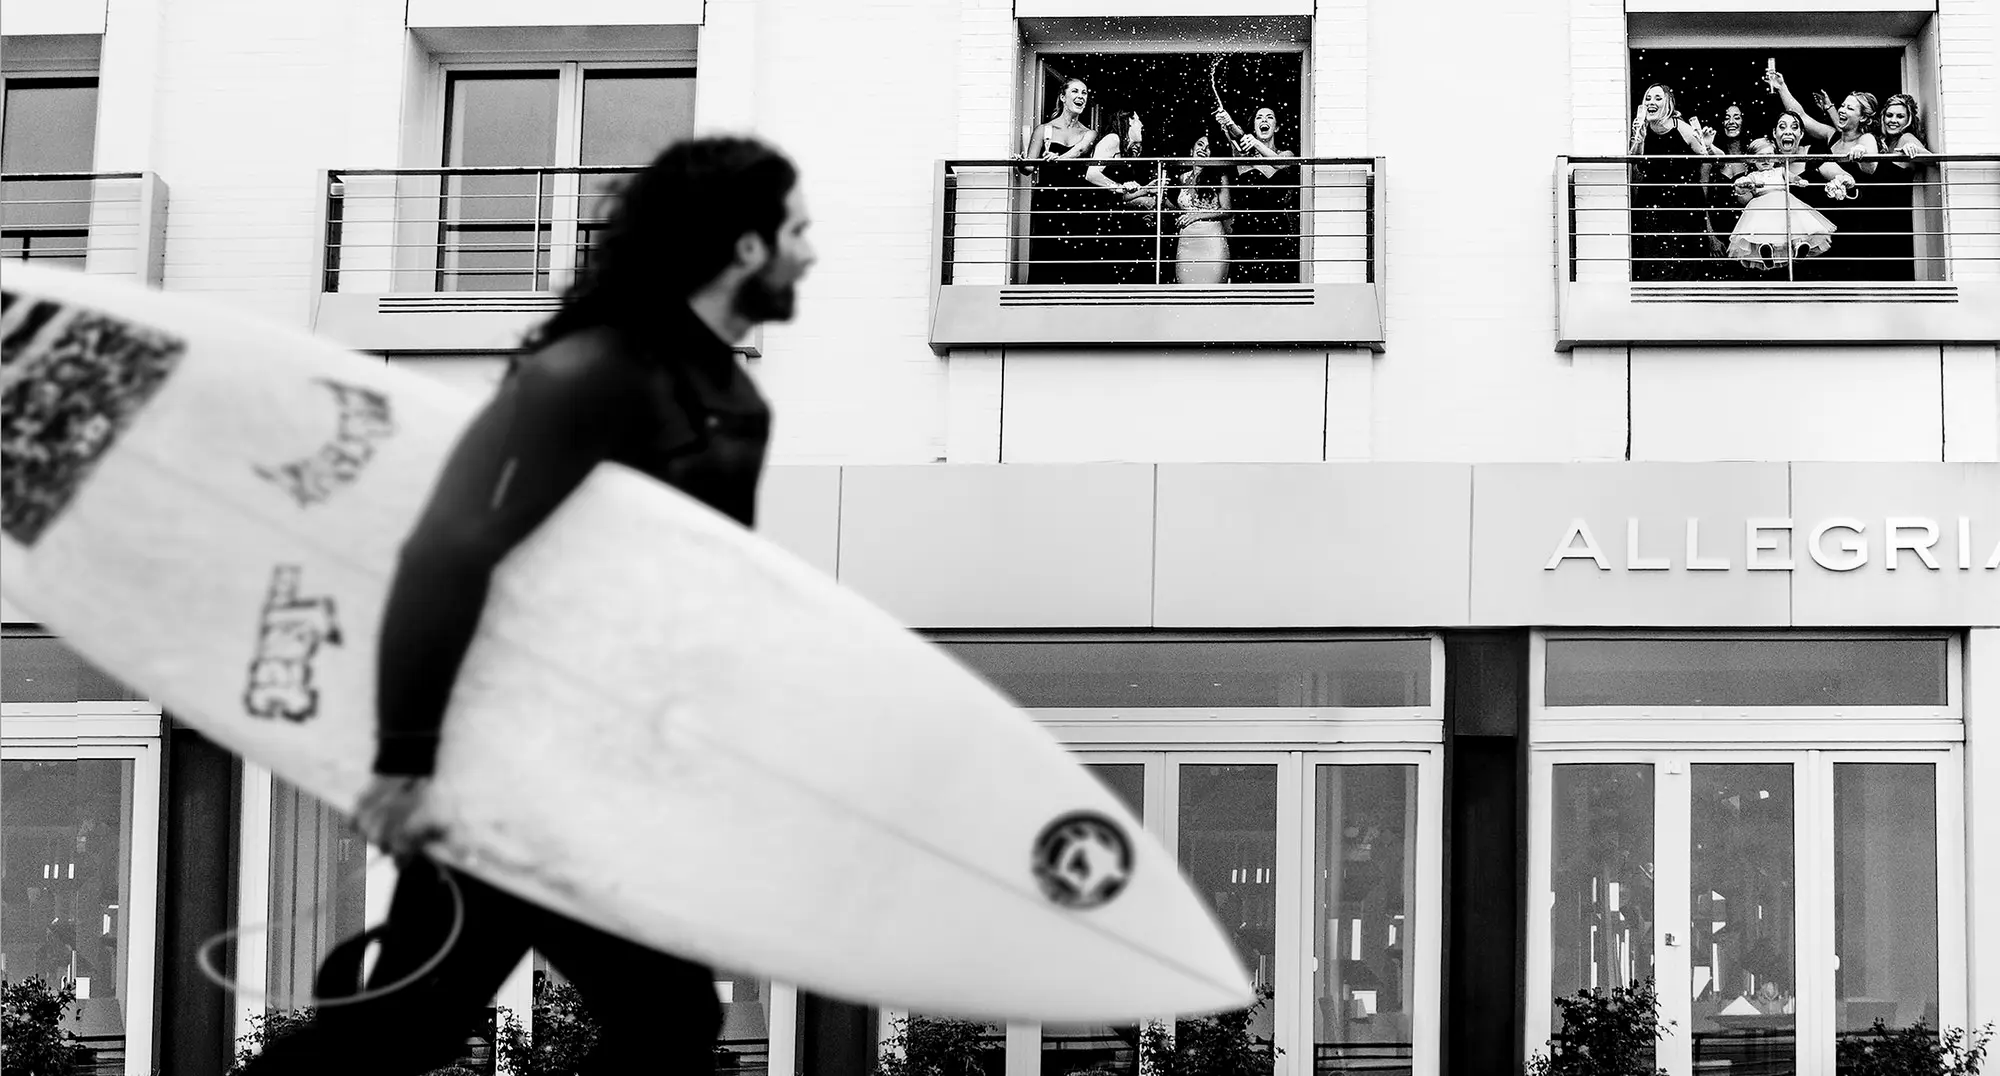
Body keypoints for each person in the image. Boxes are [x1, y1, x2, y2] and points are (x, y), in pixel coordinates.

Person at [236, 136, 816, 1076]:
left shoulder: (736, 399)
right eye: (797, 229)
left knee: (620, 1025)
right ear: (745, 247)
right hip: (503, 769)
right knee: (591, 1024)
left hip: (597, 776)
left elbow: (693, 604)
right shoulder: (587, 375)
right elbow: (448, 551)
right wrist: (406, 762)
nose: (811, 251)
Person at [1767, 71, 1878, 278]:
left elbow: (1870, 161)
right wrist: (1782, 87)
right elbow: (1800, 116)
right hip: (1834, 205)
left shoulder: (1867, 138)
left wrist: (1861, 153)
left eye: (1849, 107)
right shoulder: (1832, 136)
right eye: (1842, 105)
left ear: (1863, 117)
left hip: (1858, 206)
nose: (1842, 109)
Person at [1627, 83, 1715, 281]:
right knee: (1652, 256)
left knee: (1682, 258)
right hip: (1652, 202)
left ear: (1668, 103)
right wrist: (1638, 140)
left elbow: (1704, 157)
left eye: (1658, 98)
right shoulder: (1643, 129)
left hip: (1683, 203)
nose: (1651, 102)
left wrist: (1707, 145)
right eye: (1648, 98)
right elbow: (1636, 166)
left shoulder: (1681, 128)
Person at [1021, 78, 1098, 284]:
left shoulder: (1089, 133)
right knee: (1047, 250)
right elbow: (1028, 168)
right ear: (1063, 97)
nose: (1081, 96)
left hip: (1079, 200)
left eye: (1084, 93)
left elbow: (1080, 150)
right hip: (1049, 200)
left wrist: (1058, 159)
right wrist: (1020, 162)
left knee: (1077, 253)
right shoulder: (1044, 130)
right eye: (1075, 91)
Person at [1726, 135, 1839, 271]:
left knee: (1795, 225)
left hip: (1784, 201)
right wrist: (1744, 186)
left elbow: (1792, 177)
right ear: (1753, 159)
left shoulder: (1781, 171)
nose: (1766, 160)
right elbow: (1744, 187)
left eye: (1770, 155)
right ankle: (1766, 248)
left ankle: (1798, 245)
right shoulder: (1753, 175)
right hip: (1762, 205)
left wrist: (1798, 180)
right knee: (1764, 228)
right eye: (1761, 157)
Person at [1214, 105, 1300, 282]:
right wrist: (1228, 122)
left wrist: (1256, 143)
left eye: (1269, 117)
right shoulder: (1244, 158)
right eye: (1259, 117)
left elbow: (1280, 164)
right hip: (1247, 229)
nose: (1264, 120)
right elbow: (1235, 136)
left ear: (1276, 127)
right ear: (1254, 127)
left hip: (1276, 231)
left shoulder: (1286, 154)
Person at [1082, 108, 1162, 284]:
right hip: (1102, 219)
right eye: (1139, 120)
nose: (1142, 125)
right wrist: (1120, 187)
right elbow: (1092, 175)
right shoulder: (1113, 139)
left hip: (1115, 216)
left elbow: (1120, 194)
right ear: (1130, 121)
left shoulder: (1123, 148)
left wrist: (1145, 189)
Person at [1863, 93, 1932, 280]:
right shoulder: (1882, 142)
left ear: (1908, 120)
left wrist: (1915, 150)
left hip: (1891, 220)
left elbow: (1932, 160)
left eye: (1900, 116)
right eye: (1890, 115)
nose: (1893, 120)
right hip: (1875, 219)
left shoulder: (1906, 138)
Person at [1700, 103, 1755, 276]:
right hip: (1718, 234)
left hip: (1748, 235)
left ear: (1744, 122)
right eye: (1726, 117)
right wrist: (1711, 237)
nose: (1731, 121)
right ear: (1721, 123)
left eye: (1736, 117)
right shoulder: (1711, 156)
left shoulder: (1753, 157)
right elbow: (1702, 199)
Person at [1173, 134, 1232, 284]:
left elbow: (1226, 210)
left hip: (1211, 242)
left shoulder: (1220, 177)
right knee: (1186, 292)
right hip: (1186, 243)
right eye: (1200, 145)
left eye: (1208, 148)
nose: (1203, 149)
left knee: (1212, 291)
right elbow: (1182, 205)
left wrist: (1196, 216)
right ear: (1191, 149)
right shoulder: (1182, 178)